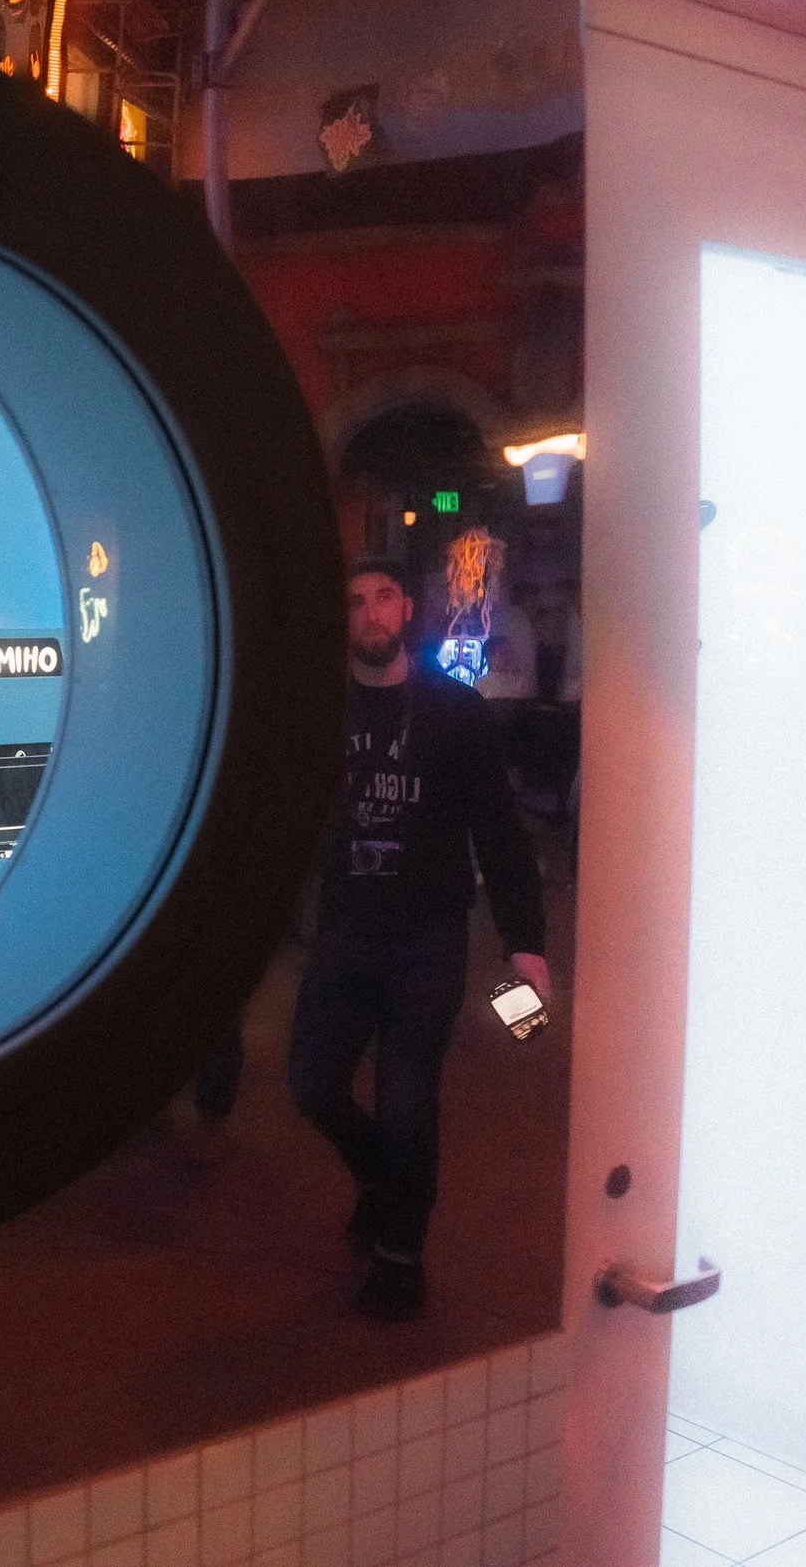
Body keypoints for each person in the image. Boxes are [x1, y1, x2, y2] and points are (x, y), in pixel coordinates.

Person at [288, 556, 549, 1323]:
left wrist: (523, 940)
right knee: (310, 1085)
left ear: (405, 612)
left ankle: (401, 1254)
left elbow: (498, 831)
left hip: (427, 936)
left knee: (408, 1100)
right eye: (354, 603)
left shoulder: (452, 712)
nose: (368, 613)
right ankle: (383, 1179)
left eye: (381, 599)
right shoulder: (318, 713)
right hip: (344, 930)